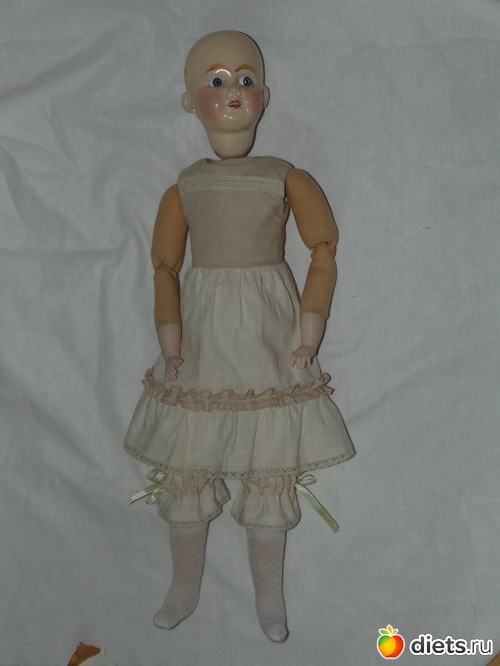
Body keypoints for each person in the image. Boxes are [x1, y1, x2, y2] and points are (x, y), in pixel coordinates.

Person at [124, 30, 355, 643]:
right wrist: (171, 341)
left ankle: (269, 596)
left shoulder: (284, 176)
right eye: (217, 80)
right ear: (189, 101)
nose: (234, 91)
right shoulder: (185, 186)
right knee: (189, 465)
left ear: (265, 96)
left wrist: (310, 329)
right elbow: (164, 268)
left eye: (246, 79)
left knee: (269, 467)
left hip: (267, 330)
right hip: (203, 333)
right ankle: (184, 585)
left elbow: (322, 250)